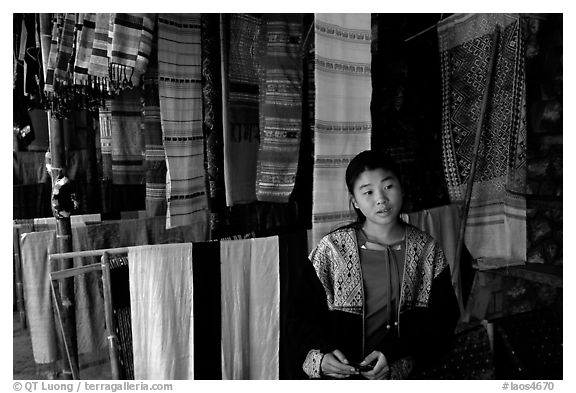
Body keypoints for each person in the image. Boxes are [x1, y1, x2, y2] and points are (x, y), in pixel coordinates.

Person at [290, 150, 460, 379]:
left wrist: (397, 356)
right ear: (355, 202)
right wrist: (321, 357)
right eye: (368, 192)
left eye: (388, 186)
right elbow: (299, 316)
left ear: (401, 187)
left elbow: (443, 319)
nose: (380, 199)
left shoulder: (427, 251)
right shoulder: (331, 250)